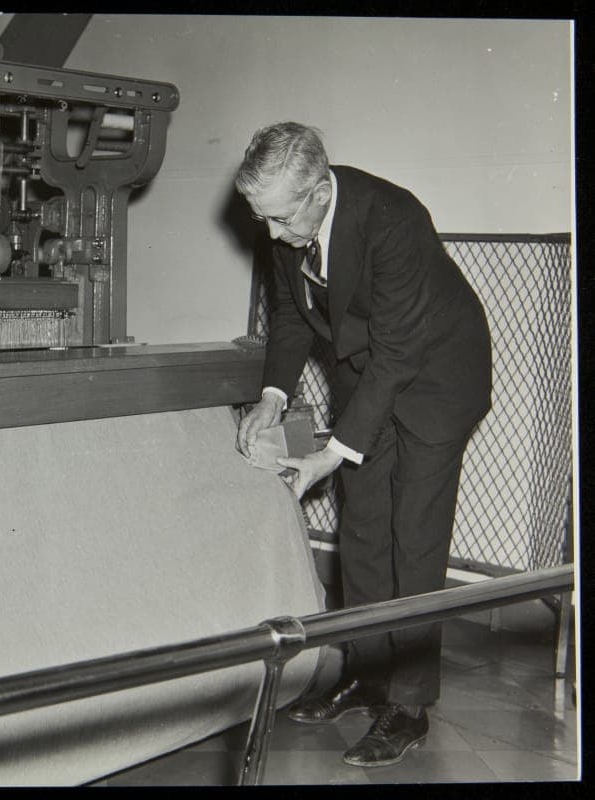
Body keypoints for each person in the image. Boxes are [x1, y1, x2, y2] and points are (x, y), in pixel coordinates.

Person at [234, 122, 492, 767]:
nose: (271, 235)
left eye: (280, 219)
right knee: (364, 533)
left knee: (415, 538)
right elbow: (293, 314)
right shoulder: (286, 222)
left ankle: (408, 706)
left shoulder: (394, 217)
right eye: (261, 219)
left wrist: (331, 453)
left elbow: (401, 349)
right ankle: (368, 673)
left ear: (321, 192)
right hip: (371, 374)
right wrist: (271, 395)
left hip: (435, 378)